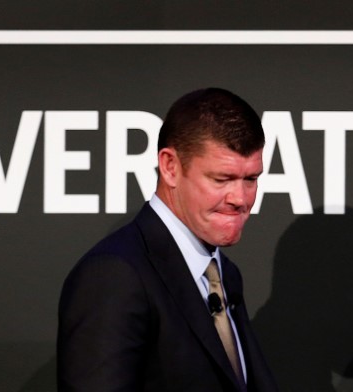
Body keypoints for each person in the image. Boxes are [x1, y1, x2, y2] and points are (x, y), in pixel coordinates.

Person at [57, 88, 278, 391]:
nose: (240, 199)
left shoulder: (225, 276)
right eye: (221, 179)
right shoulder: (114, 277)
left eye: (250, 179)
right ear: (171, 167)